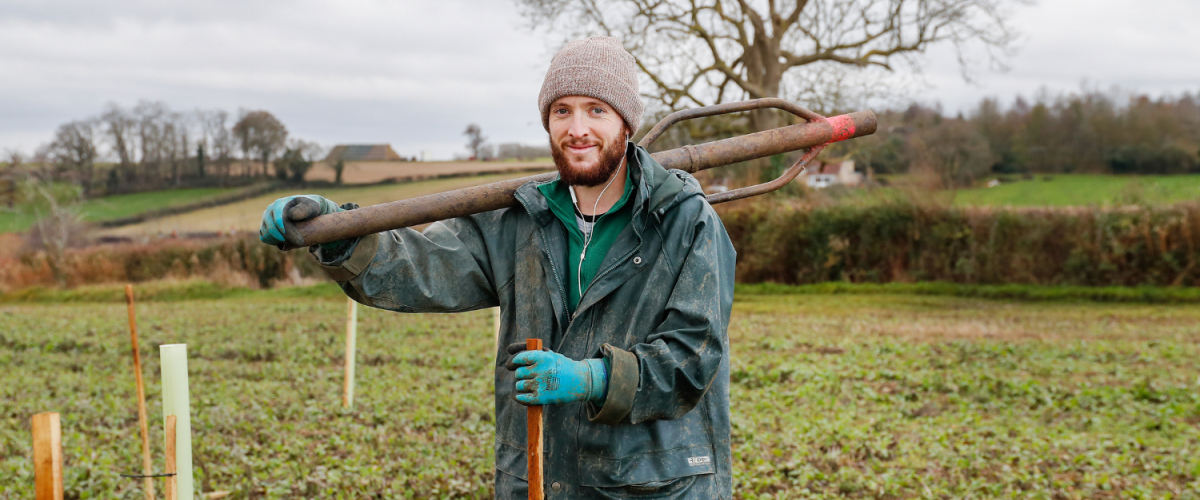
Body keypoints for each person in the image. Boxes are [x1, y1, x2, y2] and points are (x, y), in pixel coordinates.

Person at [259, 36, 735, 499]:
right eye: (562, 110)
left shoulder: (684, 220)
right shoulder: (520, 220)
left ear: (626, 122)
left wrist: (592, 378)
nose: (577, 128)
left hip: (650, 485)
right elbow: (423, 268)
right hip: (534, 479)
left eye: (597, 110)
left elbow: (693, 358)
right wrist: (342, 234)